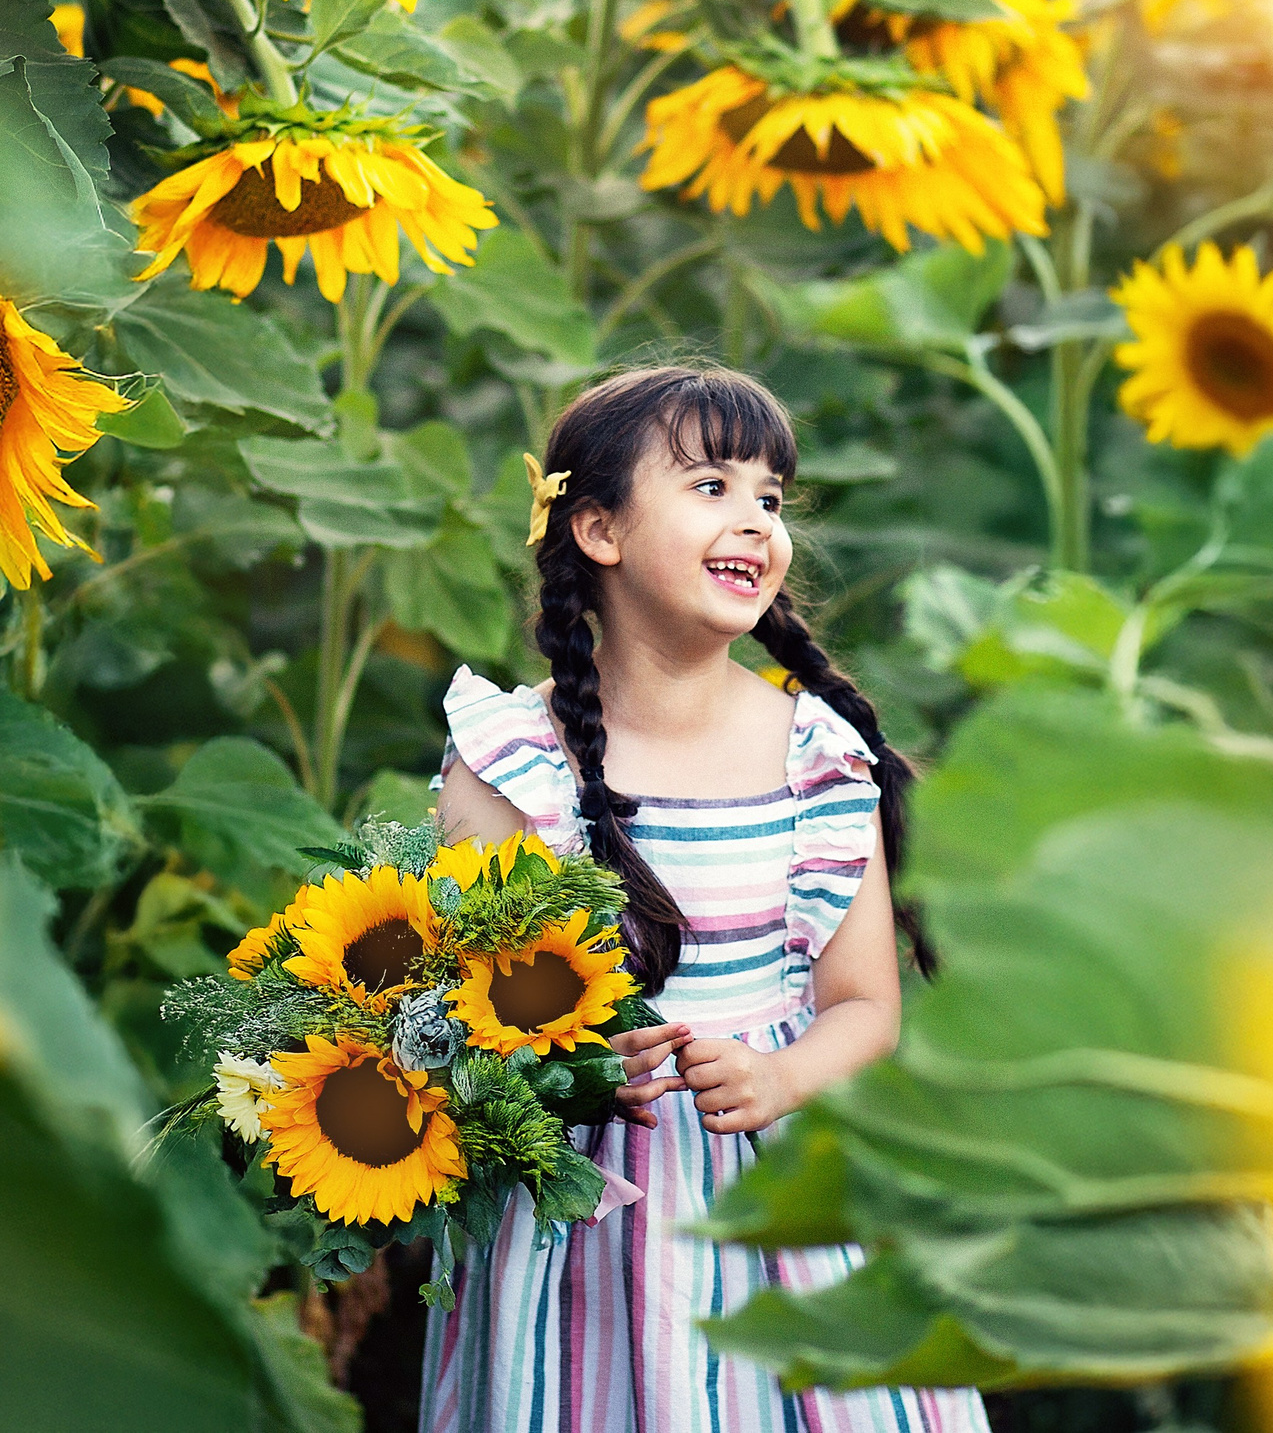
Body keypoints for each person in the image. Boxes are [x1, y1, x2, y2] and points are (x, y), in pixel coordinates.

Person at [420, 364, 990, 1432]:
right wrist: (568, 1071)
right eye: (711, 486)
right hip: (581, 1234)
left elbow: (864, 1005)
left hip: (786, 1225)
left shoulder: (817, 756)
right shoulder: (509, 763)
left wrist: (777, 1076)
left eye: (769, 497)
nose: (756, 522)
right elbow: (464, 1009)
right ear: (598, 529)